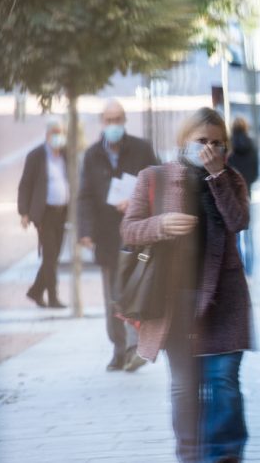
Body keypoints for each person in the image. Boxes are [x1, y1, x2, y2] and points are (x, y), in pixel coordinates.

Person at [121, 107, 253, 462]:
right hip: (173, 299)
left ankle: (226, 454)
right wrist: (161, 224)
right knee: (184, 386)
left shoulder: (232, 178)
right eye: (202, 141)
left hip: (224, 299)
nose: (209, 149)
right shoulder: (153, 178)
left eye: (217, 143)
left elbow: (238, 221)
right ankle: (191, 455)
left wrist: (217, 177)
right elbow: (130, 229)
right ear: (184, 142)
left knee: (224, 382)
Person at [77, 100, 158, 372]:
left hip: (136, 234)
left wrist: (136, 202)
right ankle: (119, 349)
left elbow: (158, 185)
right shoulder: (91, 156)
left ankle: (135, 348)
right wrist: (85, 232)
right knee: (112, 296)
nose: (114, 125)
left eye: (118, 119)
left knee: (134, 291)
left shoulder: (142, 149)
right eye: (109, 120)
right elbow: (85, 196)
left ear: (125, 120)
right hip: (107, 236)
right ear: (102, 122)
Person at [18, 119, 69, 309]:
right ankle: (53, 297)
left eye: (61, 132)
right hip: (44, 214)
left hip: (62, 212)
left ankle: (35, 291)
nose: (58, 136)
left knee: (54, 256)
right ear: (47, 135)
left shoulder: (66, 155)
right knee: (49, 256)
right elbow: (25, 185)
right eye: (55, 132)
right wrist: (24, 212)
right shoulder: (36, 156)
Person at [228, 117, 259, 276]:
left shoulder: (229, 148)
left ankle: (239, 268)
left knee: (235, 235)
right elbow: (256, 172)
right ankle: (250, 269)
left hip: (232, 196)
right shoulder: (252, 146)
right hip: (247, 194)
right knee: (249, 234)